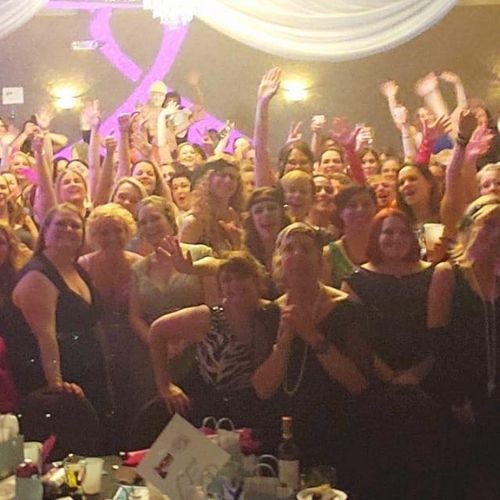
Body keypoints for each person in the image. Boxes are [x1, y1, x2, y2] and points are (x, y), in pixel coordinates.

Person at [252, 223, 371, 486]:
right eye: (289, 249)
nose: (296, 255)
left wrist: (312, 335)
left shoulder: (348, 310)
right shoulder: (268, 314)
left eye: (305, 249)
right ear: (279, 261)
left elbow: (359, 383)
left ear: (320, 259)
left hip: (337, 431)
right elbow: (262, 389)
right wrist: (283, 345)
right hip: (284, 435)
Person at [2, 204, 110, 456]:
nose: (68, 229)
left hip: (86, 368)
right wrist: (58, 387)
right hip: (54, 376)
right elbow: (45, 336)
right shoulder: (37, 276)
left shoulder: (76, 268)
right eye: (61, 223)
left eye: (75, 225)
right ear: (45, 232)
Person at [149, 251, 279, 432]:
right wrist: (165, 385)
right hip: (210, 414)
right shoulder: (208, 318)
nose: (235, 284)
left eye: (242, 277)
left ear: (257, 281)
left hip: (260, 413)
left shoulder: (273, 314)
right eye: (227, 280)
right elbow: (157, 330)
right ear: (220, 288)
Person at [428, 194, 500, 497]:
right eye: (490, 224)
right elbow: (439, 341)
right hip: (461, 398)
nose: (497, 233)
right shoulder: (448, 274)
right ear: (469, 227)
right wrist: (457, 398)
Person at [79, 203, 142, 445]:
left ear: (129, 232)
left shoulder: (140, 265)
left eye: (118, 230)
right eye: (104, 232)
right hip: (96, 344)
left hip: (133, 343)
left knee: (134, 402)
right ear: (93, 236)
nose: (112, 237)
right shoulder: (83, 266)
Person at [179, 157, 244, 255]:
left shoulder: (237, 216)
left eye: (233, 177)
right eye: (222, 175)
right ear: (207, 179)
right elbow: (181, 258)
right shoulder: (194, 221)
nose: (228, 180)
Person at [323, 185, 377, 288]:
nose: (360, 210)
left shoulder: (386, 249)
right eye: (352, 205)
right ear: (340, 212)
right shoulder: (328, 254)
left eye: (366, 205)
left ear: (375, 208)